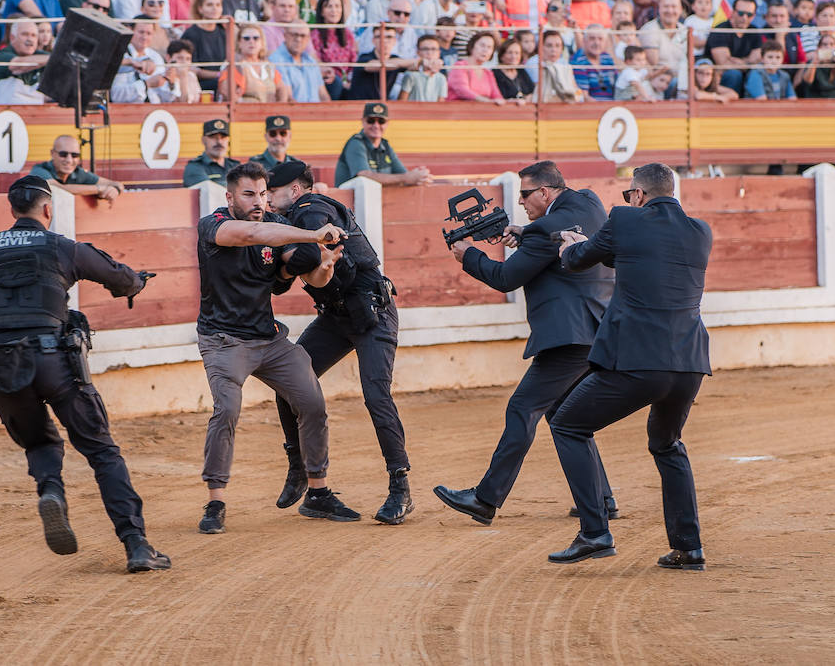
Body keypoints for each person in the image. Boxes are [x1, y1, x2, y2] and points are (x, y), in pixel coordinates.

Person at [0, 175, 170, 574]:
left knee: (40, 443)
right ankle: (136, 544)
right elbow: (117, 276)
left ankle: (51, 490)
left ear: (12, 210)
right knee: (101, 451)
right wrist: (134, 283)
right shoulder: (61, 246)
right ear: (48, 209)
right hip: (54, 362)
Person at [435, 161, 618, 526]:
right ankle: (602, 499)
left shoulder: (543, 229)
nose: (521, 202)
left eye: (525, 194)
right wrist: (528, 231)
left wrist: (469, 255)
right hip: (597, 330)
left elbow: (505, 278)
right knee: (566, 414)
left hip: (567, 337)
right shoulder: (589, 201)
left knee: (522, 408)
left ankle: (485, 499)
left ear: (546, 192)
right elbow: (555, 234)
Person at [549, 162, 712, 570]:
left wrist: (569, 245)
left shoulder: (624, 219)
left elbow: (579, 261)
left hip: (638, 361)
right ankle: (689, 547)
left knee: (568, 424)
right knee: (667, 443)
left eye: (629, 195)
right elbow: (649, 262)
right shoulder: (700, 232)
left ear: (637, 196)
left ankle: (594, 532)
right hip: (689, 364)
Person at [194, 161, 359, 534]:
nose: (258, 201)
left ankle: (317, 492)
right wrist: (313, 234)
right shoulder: (215, 225)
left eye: (264, 194)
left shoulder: (278, 228)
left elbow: (310, 275)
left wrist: (326, 263)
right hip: (224, 341)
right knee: (227, 411)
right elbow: (253, 233)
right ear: (230, 196)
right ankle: (216, 499)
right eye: (249, 194)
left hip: (268, 339)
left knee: (313, 402)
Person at [266, 160, 413, 525]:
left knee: (376, 395)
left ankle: (401, 487)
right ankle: (300, 467)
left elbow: (322, 254)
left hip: (372, 313)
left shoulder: (312, 211)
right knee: (290, 381)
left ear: (295, 190)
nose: (267, 199)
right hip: (336, 315)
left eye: (273, 192)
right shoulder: (292, 218)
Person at [334, 102, 432, 187]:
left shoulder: (385, 146)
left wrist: (418, 176)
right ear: (363, 121)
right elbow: (364, 175)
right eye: (371, 121)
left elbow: (402, 174)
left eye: (381, 121)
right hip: (348, 206)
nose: (376, 126)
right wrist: (407, 178)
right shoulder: (356, 143)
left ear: (387, 123)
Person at [29, 134, 124, 202]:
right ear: (52, 153)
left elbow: (117, 184)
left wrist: (115, 189)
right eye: (63, 154)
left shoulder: (78, 172)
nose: (69, 160)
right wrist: (99, 189)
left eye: (74, 155)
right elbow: (59, 188)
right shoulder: (39, 170)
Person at [183, 118, 240, 187]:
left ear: (228, 140)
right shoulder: (194, 167)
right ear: (203, 140)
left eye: (223, 137)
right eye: (213, 137)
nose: (219, 142)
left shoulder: (236, 166)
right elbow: (209, 191)